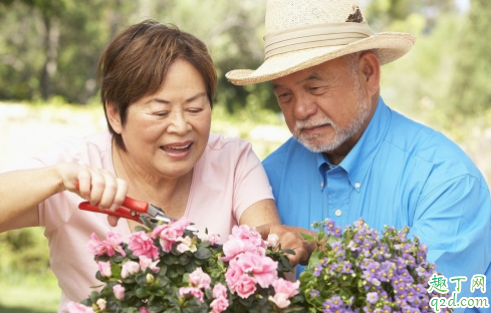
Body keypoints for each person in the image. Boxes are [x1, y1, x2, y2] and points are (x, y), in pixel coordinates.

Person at [0, 20, 282, 312]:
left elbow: (272, 257)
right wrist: (57, 178)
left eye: (195, 109)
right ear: (114, 113)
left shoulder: (233, 160)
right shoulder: (76, 165)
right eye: (160, 111)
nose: (181, 126)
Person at [226, 0, 491, 307]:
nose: (300, 109)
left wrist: (320, 248)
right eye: (284, 95)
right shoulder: (266, 180)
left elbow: (423, 299)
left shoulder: (444, 178)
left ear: (367, 73)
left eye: (316, 88)